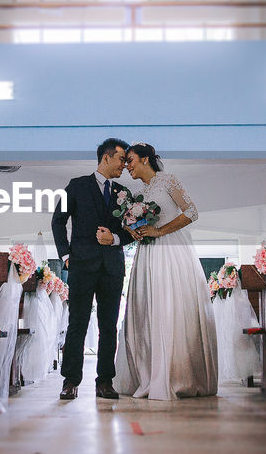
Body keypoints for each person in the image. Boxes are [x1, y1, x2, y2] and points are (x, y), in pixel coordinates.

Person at [114, 143, 217, 399]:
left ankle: (177, 377)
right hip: (147, 253)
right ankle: (149, 375)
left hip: (171, 249)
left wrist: (160, 231)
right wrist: (132, 229)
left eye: (130, 160)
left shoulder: (169, 181)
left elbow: (191, 212)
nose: (127, 166)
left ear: (146, 159)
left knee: (171, 307)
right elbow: (138, 222)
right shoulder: (141, 191)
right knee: (146, 310)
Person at [51, 138, 129, 400]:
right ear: (106, 157)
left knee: (109, 327)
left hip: (113, 268)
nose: (125, 165)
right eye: (121, 159)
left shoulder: (123, 193)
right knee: (77, 324)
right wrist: (65, 256)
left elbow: (131, 230)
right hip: (81, 266)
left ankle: (105, 382)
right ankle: (70, 381)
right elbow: (58, 221)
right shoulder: (77, 186)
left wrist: (116, 239)